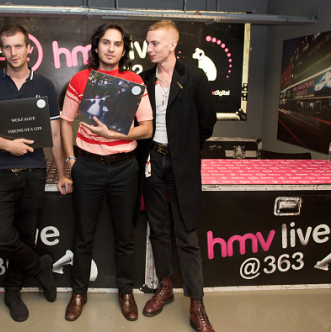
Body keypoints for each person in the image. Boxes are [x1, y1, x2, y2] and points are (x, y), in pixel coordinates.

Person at [0, 24, 72, 322]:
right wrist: (6, 145)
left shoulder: (46, 86)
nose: (13, 53)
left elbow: (53, 135)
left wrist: (62, 173)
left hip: (34, 173)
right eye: (7, 47)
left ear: (29, 49)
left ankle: (13, 291)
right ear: (1, 51)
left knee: (25, 236)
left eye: (18, 46)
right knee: (0, 236)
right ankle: (40, 267)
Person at [61, 23, 153, 322]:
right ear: (96, 46)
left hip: (124, 168)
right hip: (86, 166)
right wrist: (71, 161)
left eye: (117, 44)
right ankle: (79, 293)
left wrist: (116, 136)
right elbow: (65, 121)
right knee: (83, 236)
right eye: (105, 43)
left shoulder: (133, 81)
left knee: (125, 236)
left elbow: (147, 128)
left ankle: (125, 293)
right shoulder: (80, 79)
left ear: (123, 49)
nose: (111, 48)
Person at [137, 20, 217, 332]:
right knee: (158, 229)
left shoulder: (193, 76)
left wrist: (185, 149)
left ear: (172, 44)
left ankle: (197, 303)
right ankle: (165, 286)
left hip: (182, 164)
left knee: (186, 235)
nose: (149, 49)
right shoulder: (143, 78)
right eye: (147, 43)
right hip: (151, 161)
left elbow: (206, 122)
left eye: (155, 43)